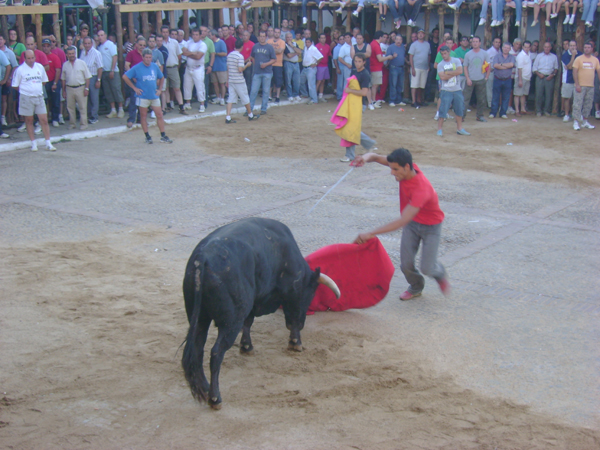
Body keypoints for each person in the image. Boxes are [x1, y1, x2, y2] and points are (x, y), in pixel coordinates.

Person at [353, 148, 450, 300]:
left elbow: (402, 221)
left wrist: (371, 233)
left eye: (395, 169)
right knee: (405, 264)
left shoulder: (421, 189)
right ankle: (416, 286)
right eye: (391, 168)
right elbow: (376, 156)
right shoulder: (406, 166)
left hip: (431, 227)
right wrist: (364, 158)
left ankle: (440, 273)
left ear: (406, 167)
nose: (392, 172)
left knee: (427, 268)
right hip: (412, 224)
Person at [122, 48, 173, 144]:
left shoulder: (154, 66)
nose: (148, 59)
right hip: (143, 96)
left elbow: (161, 77)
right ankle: (147, 136)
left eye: (150, 57)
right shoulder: (137, 67)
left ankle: (163, 135)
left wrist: (160, 89)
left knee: (159, 115)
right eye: (147, 57)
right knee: (143, 116)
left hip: (154, 95)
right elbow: (125, 76)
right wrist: (134, 88)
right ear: (143, 57)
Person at [12, 50, 57, 151]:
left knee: (44, 120)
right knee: (29, 120)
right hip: (26, 97)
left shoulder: (40, 67)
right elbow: (15, 85)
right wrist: (25, 91)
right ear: (25, 58)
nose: (31, 60)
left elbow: (44, 81)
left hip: (39, 96)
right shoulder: (20, 70)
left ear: (35, 57)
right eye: (29, 58)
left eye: (32, 58)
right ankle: (33, 143)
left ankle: (48, 143)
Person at [339, 53, 377, 162]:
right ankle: (369, 143)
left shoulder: (365, 74)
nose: (357, 63)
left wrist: (350, 91)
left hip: (359, 105)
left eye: (359, 61)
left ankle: (350, 154)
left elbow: (364, 92)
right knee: (350, 128)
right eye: (356, 61)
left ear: (364, 62)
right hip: (353, 104)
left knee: (350, 129)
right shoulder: (355, 71)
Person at [436, 46, 469, 137]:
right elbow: (442, 77)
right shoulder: (440, 64)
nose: (443, 56)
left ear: (449, 52)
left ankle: (459, 128)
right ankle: (439, 129)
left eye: (445, 53)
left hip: (456, 89)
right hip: (446, 89)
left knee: (459, 109)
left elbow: (460, 71)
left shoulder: (456, 61)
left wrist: (447, 73)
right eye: (442, 54)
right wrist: (453, 73)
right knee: (443, 109)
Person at [225, 39, 260, 123]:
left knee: (231, 98)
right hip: (239, 80)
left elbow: (228, 68)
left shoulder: (229, 55)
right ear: (242, 47)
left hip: (231, 79)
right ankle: (250, 115)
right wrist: (247, 65)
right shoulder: (240, 57)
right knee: (245, 97)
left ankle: (228, 116)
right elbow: (240, 69)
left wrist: (227, 79)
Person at [572, 41, 600, 131]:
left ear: (592, 49)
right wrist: (577, 84)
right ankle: (576, 122)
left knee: (588, 104)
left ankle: (585, 121)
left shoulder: (595, 60)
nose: (586, 49)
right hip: (581, 85)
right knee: (577, 104)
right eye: (585, 47)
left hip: (590, 86)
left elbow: (598, 72)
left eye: (588, 47)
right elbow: (574, 72)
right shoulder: (578, 59)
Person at [61, 46, 91, 130]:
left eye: (73, 53)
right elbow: (63, 79)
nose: (72, 55)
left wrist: (86, 88)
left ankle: (84, 124)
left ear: (75, 53)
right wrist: (63, 91)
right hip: (69, 88)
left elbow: (87, 77)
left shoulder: (82, 63)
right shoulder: (65, 65)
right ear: (67, 55)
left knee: (82, 107)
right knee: (70, 108)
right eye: (69, 54)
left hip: (80, 87)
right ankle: (72, 124)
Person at [97, 30, 125, 119]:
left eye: (102, 35)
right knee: (108, 91)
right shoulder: (99, 47)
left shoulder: (110, 45)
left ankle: (120, 109)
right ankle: (113, 110)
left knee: (116, 89)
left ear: (105, 35)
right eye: (99, 35)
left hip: (112, 71)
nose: (100, 37)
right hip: (104, 72)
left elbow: (114, 57)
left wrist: (112, 70)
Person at [249, 30, 276, 116]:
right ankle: (249, 109)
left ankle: (264, 108)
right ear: (258, 37)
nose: (262, 38)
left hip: (267, 72)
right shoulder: (255, 46)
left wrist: (266, 64)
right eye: (260, 36)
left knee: (266, 91)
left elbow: (274, 59)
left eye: (263, 36)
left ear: (266, 37)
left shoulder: (270, 47)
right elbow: (252, 57)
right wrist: (255, 65)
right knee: (253, 91)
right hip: (257, 72)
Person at [462, 36, 488, 122]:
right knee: (466, 99)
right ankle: (462, 116)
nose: (475, 43)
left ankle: (480, 115)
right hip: (470, 79)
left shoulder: (485, 53)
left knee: (481, 99)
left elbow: (488, 65)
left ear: (480, 43)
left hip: (481, 79)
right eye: (473, 41)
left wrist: (486, 77)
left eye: (477, 41)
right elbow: (465, 67)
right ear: (471, 43)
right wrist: (467, 78)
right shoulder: (468, 54)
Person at [161, 26, 186, 114]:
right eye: (163, 32)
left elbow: (179, 56)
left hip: (173, 67)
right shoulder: (160, 43)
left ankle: (181, 106)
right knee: (166, 88)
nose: (165, 34)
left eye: (166, 32)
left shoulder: (174, 42)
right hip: (163, 68)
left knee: (176, 88)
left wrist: (177, 66)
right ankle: (168, 105)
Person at [182, 28, 207, 112]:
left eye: (197, 35)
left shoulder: (203, 44)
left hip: (198, 68)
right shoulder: (188, 42)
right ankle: (188, 103)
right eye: (193, 34)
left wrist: (190, 53)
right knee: (187, 86)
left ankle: (202, 104)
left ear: (200, 35)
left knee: (200, 86)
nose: (195, 36)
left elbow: (198, 56)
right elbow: (184, 52)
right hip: (189, 67)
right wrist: (193, 53)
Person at [80, 36, 103, 125]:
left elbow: (100, 67)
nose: (87, 45)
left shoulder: (96, 53)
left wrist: (98, 80)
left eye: (89, 43)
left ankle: (94, 116)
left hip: (93, 77)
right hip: (84, 77)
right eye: (85, 43)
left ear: (92, 44)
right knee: (87, 98)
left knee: (94, 98)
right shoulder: (83, 52)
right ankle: (89, 115)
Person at [490, 42, 515, 119]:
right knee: (495, 97)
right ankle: (493, 113)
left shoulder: (512, 57)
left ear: (510, 49)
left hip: (507, 79)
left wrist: (501, 65)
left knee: (506, 97)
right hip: (497, 79)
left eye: (508, 48)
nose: (506, 49)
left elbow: (511, 65)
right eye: (505, 47)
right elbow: (495, 65)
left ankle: (503, 113)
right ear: (502, 48)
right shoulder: (497, 56)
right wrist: (505, 66)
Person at [532, 42, 558, 117]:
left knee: (548, 95)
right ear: (543, 47)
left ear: (550, 48)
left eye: (548, 47)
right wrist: (539, 74)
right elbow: (534, 67)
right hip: (540, 76)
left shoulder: (554, 57)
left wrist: (552, 75)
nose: (547, 48)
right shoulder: (539, 56)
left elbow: (556, 68)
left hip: (549, 77)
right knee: (539, 94)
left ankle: (546, 110)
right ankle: (538, 111)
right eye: (545, 47)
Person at [41, 38, 62, 127]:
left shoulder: (54, 57)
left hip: (53, 81)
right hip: (43, 83)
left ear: (50, 47)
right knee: (43, 102)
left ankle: (55, 119)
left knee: (55, 101)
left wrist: (55, 83)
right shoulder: (40, 57)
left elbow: (58, 71)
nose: (46, 48)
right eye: (44, 46)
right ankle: (43, 120)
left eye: (47, 46)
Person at [560, 40, 581, 122]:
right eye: (571, 45)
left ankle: (577, 115)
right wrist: (573, 56)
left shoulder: (580, 54)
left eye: (574, 45)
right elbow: (569, 67)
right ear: (568, 46)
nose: (572, 47)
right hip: (567, 80)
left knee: (577, 99)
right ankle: (566, 114)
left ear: (576, 46)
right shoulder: (565, 55)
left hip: (578, 80)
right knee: (567, 98)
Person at [408, 29, 430, 108]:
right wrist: (412, 67)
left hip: (424, 68)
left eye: (422, 34)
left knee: (421, 86)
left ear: (424, 35)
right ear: (417, 35)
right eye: (419, 33)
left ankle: (419, 100)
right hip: (416, 67)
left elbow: (429, 55)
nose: (421, 35)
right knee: (414, 85)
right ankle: (413, 101)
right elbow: (411, 56)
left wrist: (428, 66)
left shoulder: (427, 44)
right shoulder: (414, 44)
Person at [0, 34, 18, 127]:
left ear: (4, 40)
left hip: (6, 79)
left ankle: (3, 117)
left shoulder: (9, 52)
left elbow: (14, 66)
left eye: (1, 39)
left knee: (4, 99)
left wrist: (9, 78)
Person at [300, 37, 323, 105]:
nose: (307, 43)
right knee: (301, 81)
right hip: (305, 68)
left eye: (308, 42)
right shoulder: (305, 48)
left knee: (311, 85)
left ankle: (314, 99)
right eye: (306, 42)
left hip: (310, 68)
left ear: (311, 43)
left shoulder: (314, 49)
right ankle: (305, 94)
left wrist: (316, 64)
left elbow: (320, 57)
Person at [386, 34, 406, 107]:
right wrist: (393, 57)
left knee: (400, 85)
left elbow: (404, 56)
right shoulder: (391, 47)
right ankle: (392, 100)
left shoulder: (403, 47)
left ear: (402, 40)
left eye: (400, 39)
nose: (398, 41)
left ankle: (399, 100)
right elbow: (387, 57)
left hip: (401, 67)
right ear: (394, 39)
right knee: (393, 84)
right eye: (397, 39)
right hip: (393, 67)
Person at [267, 28, 286, 103]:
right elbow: (268, 51)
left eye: (278, 32)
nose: (277, 33)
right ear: (273, 33)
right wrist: (275, 51)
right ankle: (269, 96)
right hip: (269, 64)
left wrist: (271, 50)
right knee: (269, 81)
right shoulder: (269, 41)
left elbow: (280, 51)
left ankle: (277, 96)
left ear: (280, 33)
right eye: (275, 32)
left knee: (278, 81)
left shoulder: (282, 42)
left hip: (278, 64)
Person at [514, 40, 532, 117]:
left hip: (527, 77)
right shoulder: (520, 56)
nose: (527, 48)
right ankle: (517, 110)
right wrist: (520, 80)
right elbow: (519, 69)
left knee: (523, 94)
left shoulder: (529, 54)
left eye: (528, 47)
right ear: (523, 47)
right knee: (517, 94)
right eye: (525, 47)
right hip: (521, 77)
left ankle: (523, 109)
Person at [210, 29, 228, 105]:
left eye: (210, 35)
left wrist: (215, 54)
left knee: (222, 83)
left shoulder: (221, 42)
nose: (209, 36)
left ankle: (222, 98)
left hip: (221, 66)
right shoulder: (211, 43)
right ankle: (218, 97)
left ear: (214, 35)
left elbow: (224, 53)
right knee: (215, 83)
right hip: (213, 66)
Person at [283, 31, 302, 102]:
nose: (289, 38)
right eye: (287, 37)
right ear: (285, 38)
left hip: (296, 63)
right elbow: (289, 55)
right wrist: (296, 53)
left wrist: (292, 46)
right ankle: (290, 95)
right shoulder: (284, 45)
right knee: (288, 80)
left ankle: (296, 94)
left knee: (297, 80)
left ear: (292, 38)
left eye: (290, 37)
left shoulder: (294, 44)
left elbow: (300, 52)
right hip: (288, 63)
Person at [315, 33, 330, 103]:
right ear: (319, 39)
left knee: (323, 81)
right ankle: (314, 96)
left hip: (325, 66)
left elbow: (329, 55)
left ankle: (321, 96)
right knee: (319, 81)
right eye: (321, 38)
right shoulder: (317, 46)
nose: (323, 39)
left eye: (324, 38)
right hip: (319, 66)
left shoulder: (327, 46)